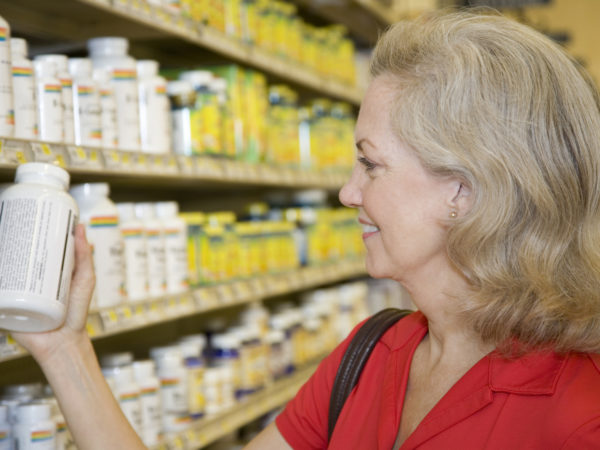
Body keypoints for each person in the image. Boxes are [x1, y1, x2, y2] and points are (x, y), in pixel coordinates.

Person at [11, 8, 600, 450]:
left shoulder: (579, 412)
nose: (348, 193)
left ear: (464, 190)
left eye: (371, 164)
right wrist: (64, 346)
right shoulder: (372, 355)